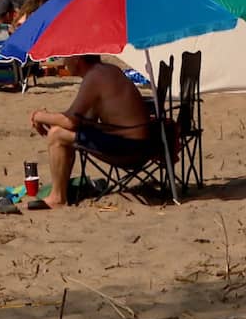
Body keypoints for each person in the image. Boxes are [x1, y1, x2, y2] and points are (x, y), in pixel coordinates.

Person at [29, 55, 154, 208]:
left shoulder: (95, 76)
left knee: (57, 135)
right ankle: (59, 193)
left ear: (77, 60)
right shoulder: (106, 71)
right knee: (60, 131)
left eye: (67, 58)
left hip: (131, 149)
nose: (63, 62)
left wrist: (39, 116)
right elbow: (83, 120)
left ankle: (57, 198)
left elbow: (70, 121)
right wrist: (51, 119)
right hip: (141, 144)